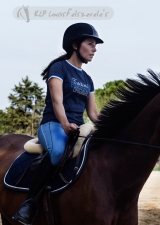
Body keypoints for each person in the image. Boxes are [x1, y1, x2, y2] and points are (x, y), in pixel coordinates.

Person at [13, 22, 103, 225]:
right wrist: (64, 124)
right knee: (57, 152)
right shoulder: (59, 68)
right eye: (90, 44)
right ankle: (29, 204)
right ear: (75, 45)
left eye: (95, 45)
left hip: (78, 128)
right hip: (53, 125)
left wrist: (111, 128)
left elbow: (94, 113)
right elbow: (57, 101)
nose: (94, 49)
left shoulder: (87, 79)